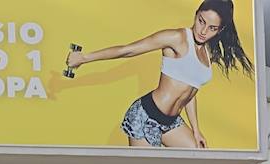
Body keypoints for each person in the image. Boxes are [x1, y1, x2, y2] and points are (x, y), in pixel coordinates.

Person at [65, 1, 253, 149]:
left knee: (197, 154)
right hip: (146, 116)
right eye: (201, 21)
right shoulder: (177, 38)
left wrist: (196, 130)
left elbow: (190, 92)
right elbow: (127, 50)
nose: (203, 31)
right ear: (196, 15)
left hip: (172, 123)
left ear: (219, 30)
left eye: (212, 28)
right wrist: (83, 58)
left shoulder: (207, 52)